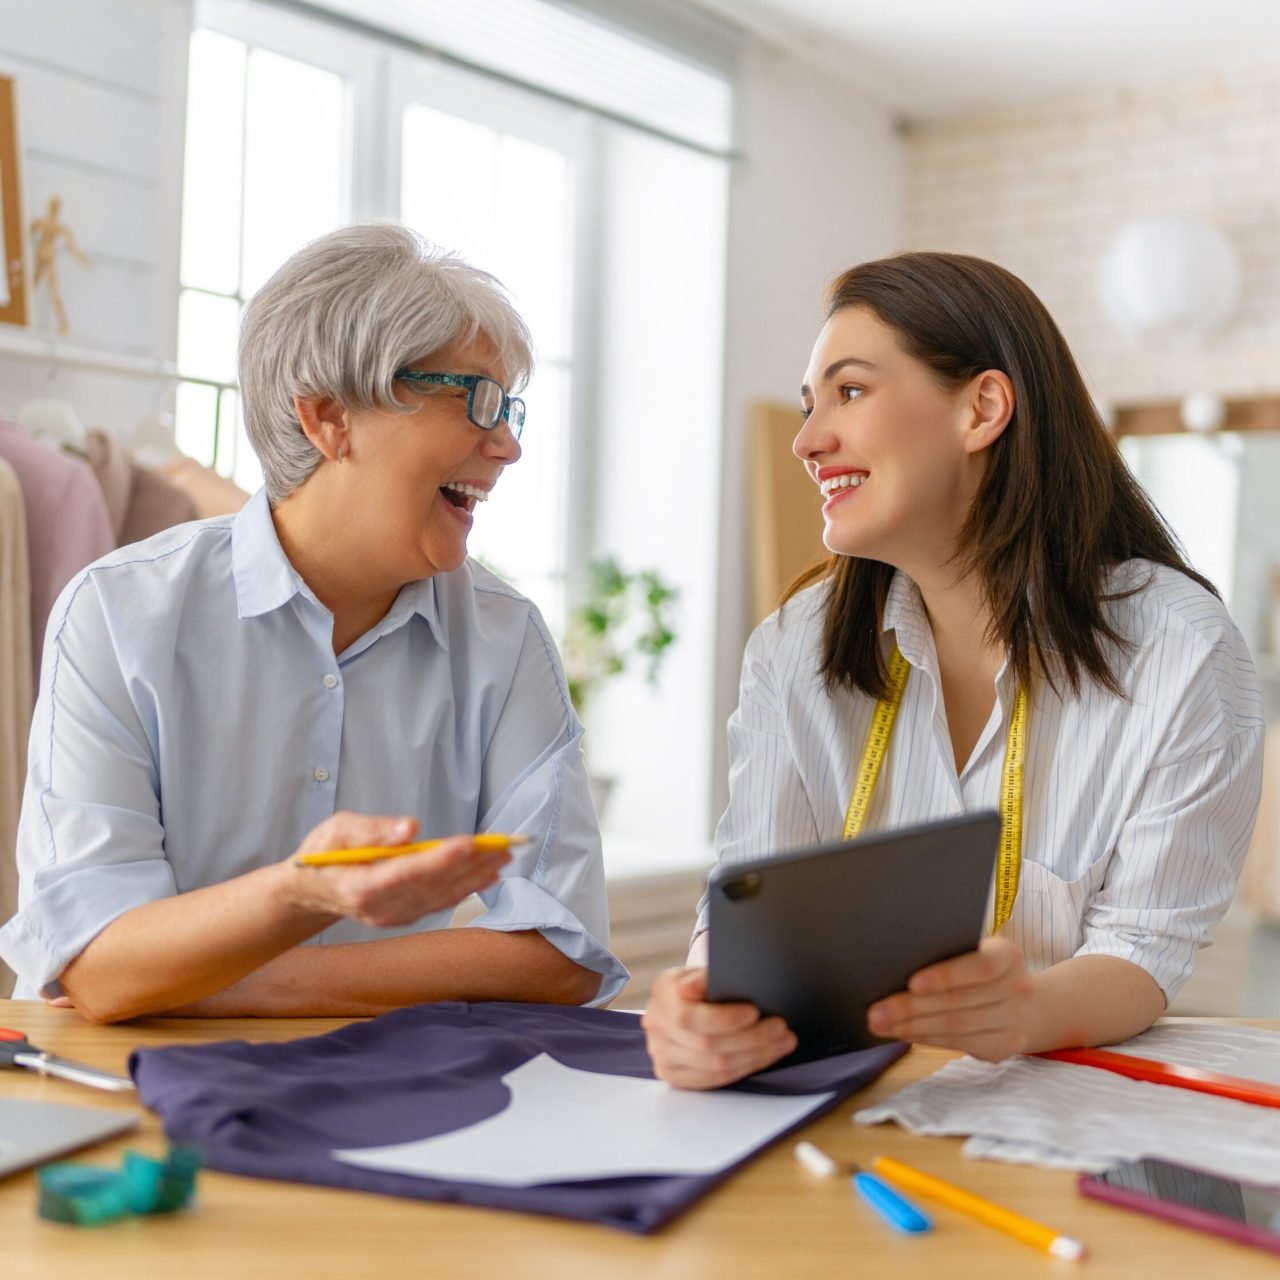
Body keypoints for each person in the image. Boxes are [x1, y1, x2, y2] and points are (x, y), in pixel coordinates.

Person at [643, 251, 1263, 1089]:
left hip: (1060, 1104)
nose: (806, 440)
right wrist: (698, 1002)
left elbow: (1144, 948)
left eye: (850, 392)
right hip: (839, 1102)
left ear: (982, 408)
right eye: (807, 404)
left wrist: (1023, 1013)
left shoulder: (1181, 650)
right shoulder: (792, 649)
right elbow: (750, 902)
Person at [0, 223, 625, 1023]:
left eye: (511, 410)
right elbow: (98, 963)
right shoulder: (119, 616)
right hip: (125, 1089)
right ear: (329, 417)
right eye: (476, 400)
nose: (506, 445)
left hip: (374, 1095)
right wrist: (301, 894)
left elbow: (561, 950)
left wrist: (238, 985)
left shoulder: (506, 642)